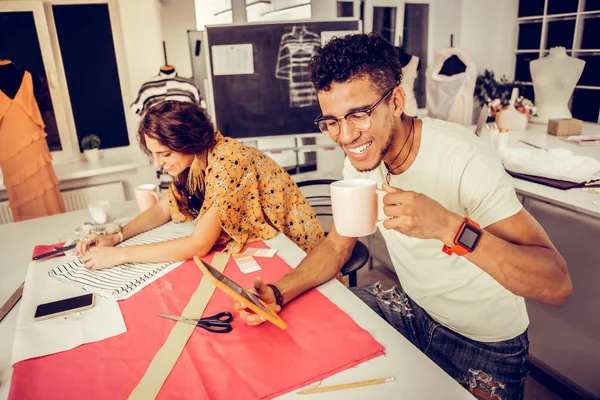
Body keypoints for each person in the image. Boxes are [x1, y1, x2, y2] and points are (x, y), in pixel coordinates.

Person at [234, 33, 572, 400]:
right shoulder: (361, 161)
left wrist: (450, 228)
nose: (345, 136)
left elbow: (556, 285)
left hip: (485, 345)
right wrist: (277, 292)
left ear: (396, 100)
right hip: (413, 313)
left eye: (358, 115)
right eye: (331, 120)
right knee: (312, 321)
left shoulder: (463, 158)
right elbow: (336, 247)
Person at [76, 101, 323, 269]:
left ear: (187, 141)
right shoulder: (194, 160)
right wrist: (117, 236)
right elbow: (165, 207)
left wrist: (120, 256)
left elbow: (199, 244)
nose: (157, 163)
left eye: (164, 154)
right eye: (154, 154)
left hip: (299, 253)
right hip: (273, 247)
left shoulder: (228, 160)